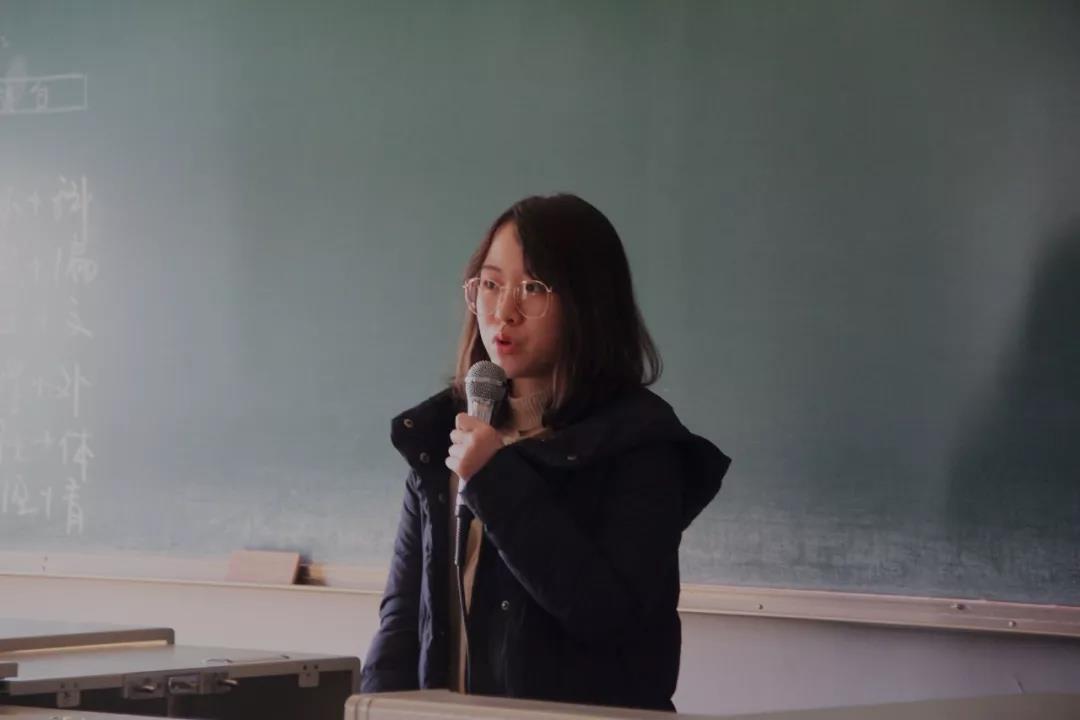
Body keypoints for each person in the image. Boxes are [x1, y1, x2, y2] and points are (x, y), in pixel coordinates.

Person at [361, 194, 730, 712]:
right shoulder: (444, 435)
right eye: (490, 284)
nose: (503, 311)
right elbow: (404, 621)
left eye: (533, 288)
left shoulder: (639, 446)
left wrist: (494, 479)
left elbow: (609, 616)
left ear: (587, 303)